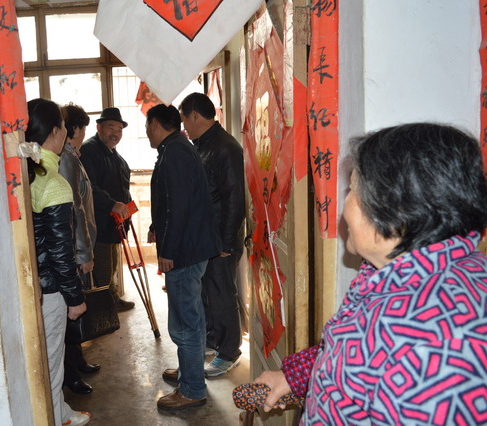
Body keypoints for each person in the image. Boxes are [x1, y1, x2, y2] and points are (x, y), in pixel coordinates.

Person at [254, 123, 487, 424]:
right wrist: (294, 375)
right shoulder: (408, 272)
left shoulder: (430, 345)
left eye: (353, 189)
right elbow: (363, 354)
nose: (345, 205)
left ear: (396, 209)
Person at [145, 104, 221, 411]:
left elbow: (178, 208)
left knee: (184, 323)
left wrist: (168, 250)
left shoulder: (175, 152)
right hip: (191, 247)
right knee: (192, 317)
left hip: (184, 252)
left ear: (156, 125)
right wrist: (157, 227)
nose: (147, 132)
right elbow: (172, 201)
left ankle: (191, 389)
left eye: (148, 126)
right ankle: (190, 372)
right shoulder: (177, 147)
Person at [25, 98, 91, 426]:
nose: (65, 131)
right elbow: (61, 252)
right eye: (63, 126)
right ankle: (53, 418)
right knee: (51, 361)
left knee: (41, 358)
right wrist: (75, 298)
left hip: (30, 284)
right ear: (54, 132)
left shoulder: (24, 173)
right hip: (50, 289)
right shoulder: (52, 182)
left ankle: (60, 412)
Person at [179, 92, 246, 377]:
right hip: (207, 237)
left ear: (195, 115)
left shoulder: (225, 147)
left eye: (184, 119)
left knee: (221, 294)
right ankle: (213, 340)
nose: (184, 126)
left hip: (221, 239)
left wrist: (227, 241)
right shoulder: (202, 144)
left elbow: (235, 198)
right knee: (208, 292)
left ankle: (229, 352)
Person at [58, 104, 101, 395]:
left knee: (75, 312)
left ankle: (77, 360)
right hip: (73, 250)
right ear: (73, 129)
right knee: (70, 313)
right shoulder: (66, 159)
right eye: (82, 128)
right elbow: (75, 210)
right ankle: (70, 374)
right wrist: (85, 254)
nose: (83, 134)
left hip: (78, 246)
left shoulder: (73, 156)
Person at [80, 107, 135, 312]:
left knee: (111, 264)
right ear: (99, 127)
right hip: (99, 224)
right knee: (102, 269)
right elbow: (89, 188)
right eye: (111, 127)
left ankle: (112, 299)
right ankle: (104, 310)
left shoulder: (114, 154)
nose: (116, 133)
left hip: (114, 223)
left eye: (119, 130)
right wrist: (112, 203)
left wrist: (127, 207)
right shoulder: (89, 151)